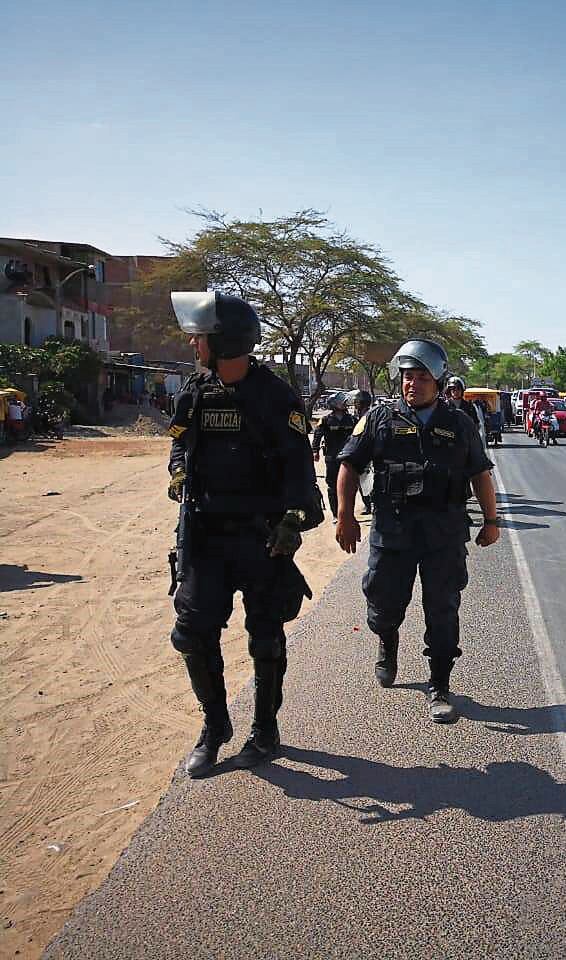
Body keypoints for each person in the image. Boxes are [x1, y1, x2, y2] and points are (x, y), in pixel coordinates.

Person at [166, 291, 323, 777]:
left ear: (224, 342)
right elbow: (178, 447)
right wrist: (176, 474)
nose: (193, 344)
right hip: (205, 539)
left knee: (266, 638)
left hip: (260, 539)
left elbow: (300, 472)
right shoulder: (193, 391)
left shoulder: (277, 398)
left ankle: (265, 729)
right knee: (190, 634)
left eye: (201, 337)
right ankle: (216, 728)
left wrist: (291, 524)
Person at [335, 339, 500, 722]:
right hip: (392, 531)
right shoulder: (378, 419)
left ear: (438, 381)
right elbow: (349, 465)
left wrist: (491, 522)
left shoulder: (458, 423)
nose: (413, 384)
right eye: (408, 377)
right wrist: (344, 515)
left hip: (442, 534)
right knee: (384, 603)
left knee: (442, 610)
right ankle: (387, 643)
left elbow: (480, 473)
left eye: (422, 377)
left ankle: (439, 684)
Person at [312, 393, 357, 520]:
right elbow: (317, 435)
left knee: (349, 485)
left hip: (347, 458)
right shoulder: (326, 420)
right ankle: (336, 514)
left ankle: (348, 513)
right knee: (332, 486)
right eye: (341, 401)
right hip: (331, 458)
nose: (344, 403)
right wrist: (315, 451)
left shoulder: (352, 419)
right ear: (334, 404)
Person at [349, 390, 374, 515]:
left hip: (370, 457)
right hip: (362, 456)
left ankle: (371, 505)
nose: (355, 405)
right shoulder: (356, 417)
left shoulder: (371, 416)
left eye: (356, 403)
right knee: (362, 483)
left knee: (369, 482)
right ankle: (368, 505)